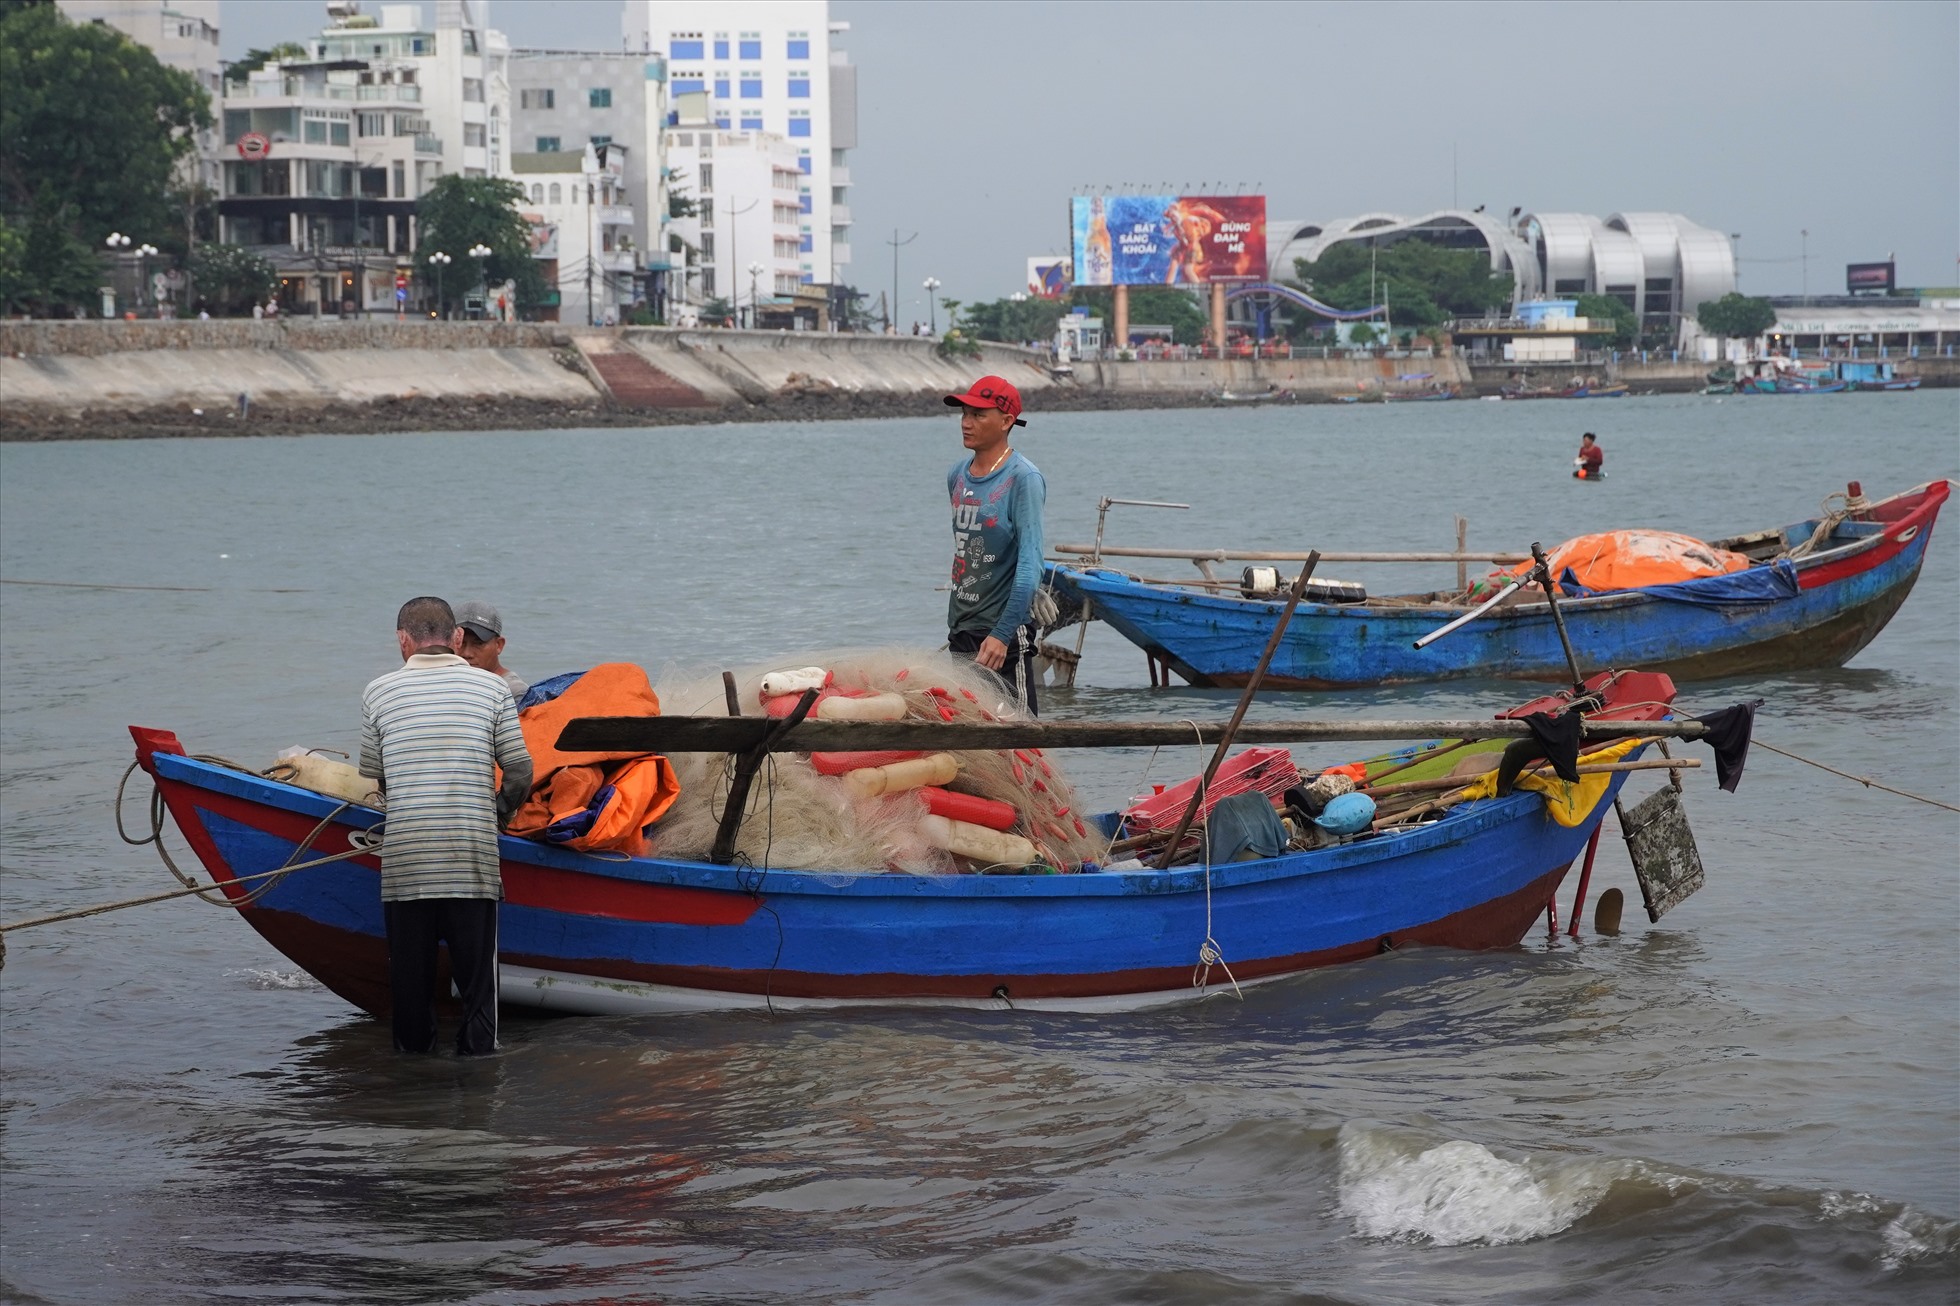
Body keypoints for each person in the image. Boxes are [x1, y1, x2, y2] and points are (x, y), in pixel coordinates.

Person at [359, 596, 532, 1055]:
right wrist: (493, 817)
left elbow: (380, 776)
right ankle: (479, 1095)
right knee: (478, 995)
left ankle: (415, 1093)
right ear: (455, 639)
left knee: (410, 995)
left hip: (407, 862)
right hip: (470, 861)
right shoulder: (493, 691)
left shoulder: (377, 692)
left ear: (403, 640)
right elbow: (519, 772)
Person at [944, 375, 1045, 712]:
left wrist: (1003, 633)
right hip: (962, 629)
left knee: (1019, 737)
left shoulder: (1022, 477)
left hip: (1003, 635)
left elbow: (1030, 565)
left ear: (1006, 421)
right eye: (964, 414)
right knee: (969, 733)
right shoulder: (957, 475)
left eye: (978, 415)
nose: (966, 423)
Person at [454, 600, 528, 700]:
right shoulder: (451, 685)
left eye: (478, 643)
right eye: (460, 642)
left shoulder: (513, 692)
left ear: (499, 645)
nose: (467, 653)